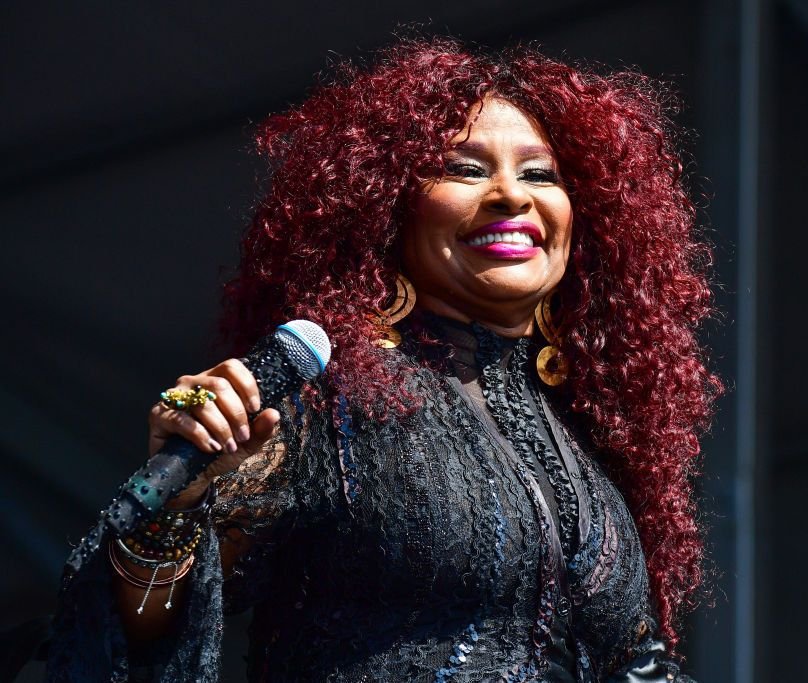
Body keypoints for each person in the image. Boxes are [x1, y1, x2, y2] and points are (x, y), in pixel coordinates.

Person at [45, 37, 721, 682]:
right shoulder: (331, 402)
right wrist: (176, 508)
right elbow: (136, 629)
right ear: (389, 208)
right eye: (465, 168)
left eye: (540, 174)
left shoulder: (588, 436)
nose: (513, 194)